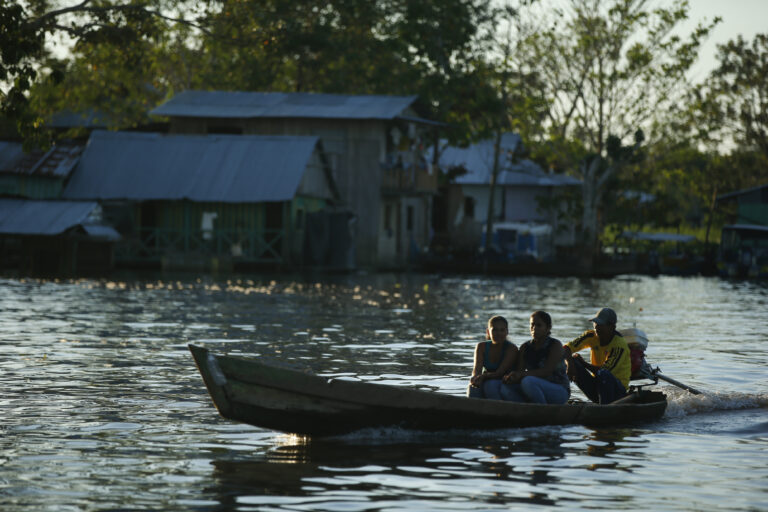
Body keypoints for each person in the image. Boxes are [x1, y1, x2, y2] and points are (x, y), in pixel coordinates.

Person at [499, 311, 570, 404]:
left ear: (548, 328)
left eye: (539, 325)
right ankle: (525, 408)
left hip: (559, 390)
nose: (534, 328)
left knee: (527, 381)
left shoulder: (555, 345)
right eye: (532, 325)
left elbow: (546, 371)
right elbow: (520, 371)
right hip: (534, 386)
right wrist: (512, 377)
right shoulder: (525, 347)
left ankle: (542, 410)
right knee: (505, 387)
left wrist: (521, 375)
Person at [564, 307, 631, 404]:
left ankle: (603, 408)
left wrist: (583, 363)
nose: (596, 328)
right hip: (597, 386)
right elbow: (566, 349)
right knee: (571, 361)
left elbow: (605, 371)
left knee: (603, 374)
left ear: (612, 327)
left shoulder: (619, 345)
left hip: (616, 392)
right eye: (595, 323)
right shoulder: (591, 336)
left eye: (601, 325)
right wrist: (570, 364)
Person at [467, 315, 518, 399]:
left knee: (490, 385)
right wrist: (475, 378)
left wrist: (483, 377)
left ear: (507, 332)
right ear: (488, 332)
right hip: (488, 378)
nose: (498, 333)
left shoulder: (512, 348)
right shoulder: (481, 347)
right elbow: (477, 369)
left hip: (504, 381)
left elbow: (500, 373)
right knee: (473, 387)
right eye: (494, 330)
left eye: (502, 330)